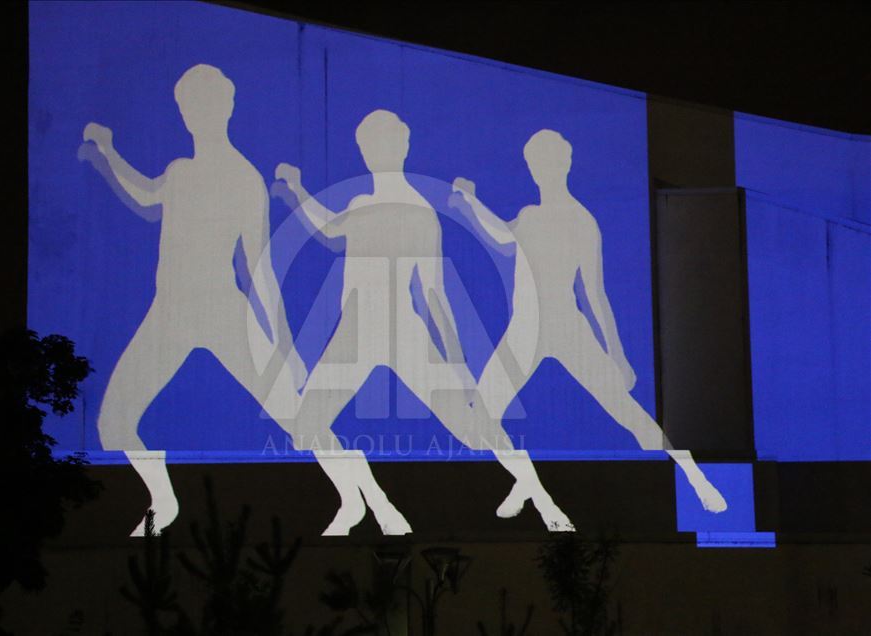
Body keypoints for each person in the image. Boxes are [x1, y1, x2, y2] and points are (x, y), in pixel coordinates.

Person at [80, 64, 396, 537]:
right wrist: (108, 152)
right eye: (190, 106)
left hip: (223, 312)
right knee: (114, 421)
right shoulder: (180, 171)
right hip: (169, 312)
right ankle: (163, 501)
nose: (198, 114)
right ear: (183, 113)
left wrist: (285, 348)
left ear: (226, 108)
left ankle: (367, 498)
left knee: (299, 419)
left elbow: (259, 271)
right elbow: (146, 195)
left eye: (207, 104)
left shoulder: (244, 179)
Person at [274, 110, 573, 532]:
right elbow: (326, 226)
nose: (376, 151)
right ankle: (365, 502)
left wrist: (458, 366)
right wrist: (297, 189)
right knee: (306, 426)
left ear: (402, 147)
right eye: (369, 144)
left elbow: (435, 295)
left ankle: (544, 501)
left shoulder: (419, 213)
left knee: (474, 430)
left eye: (385, 142)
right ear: (364, 151)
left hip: (404, 331)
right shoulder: (360, 206)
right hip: (355, 331)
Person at [449, 129, 728, 514]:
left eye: (548, 163)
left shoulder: (582, 221)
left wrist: (617, 355)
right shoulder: (530, 217)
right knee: (481, 416)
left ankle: (695, 477)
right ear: (532, 169)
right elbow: (500, 234)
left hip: (566, 325)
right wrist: (469, 201)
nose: (542, 171)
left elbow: (595, 294)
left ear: (564, 165)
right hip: (526, 329)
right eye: (536, 165)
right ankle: (527, 483)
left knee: (626, 410)